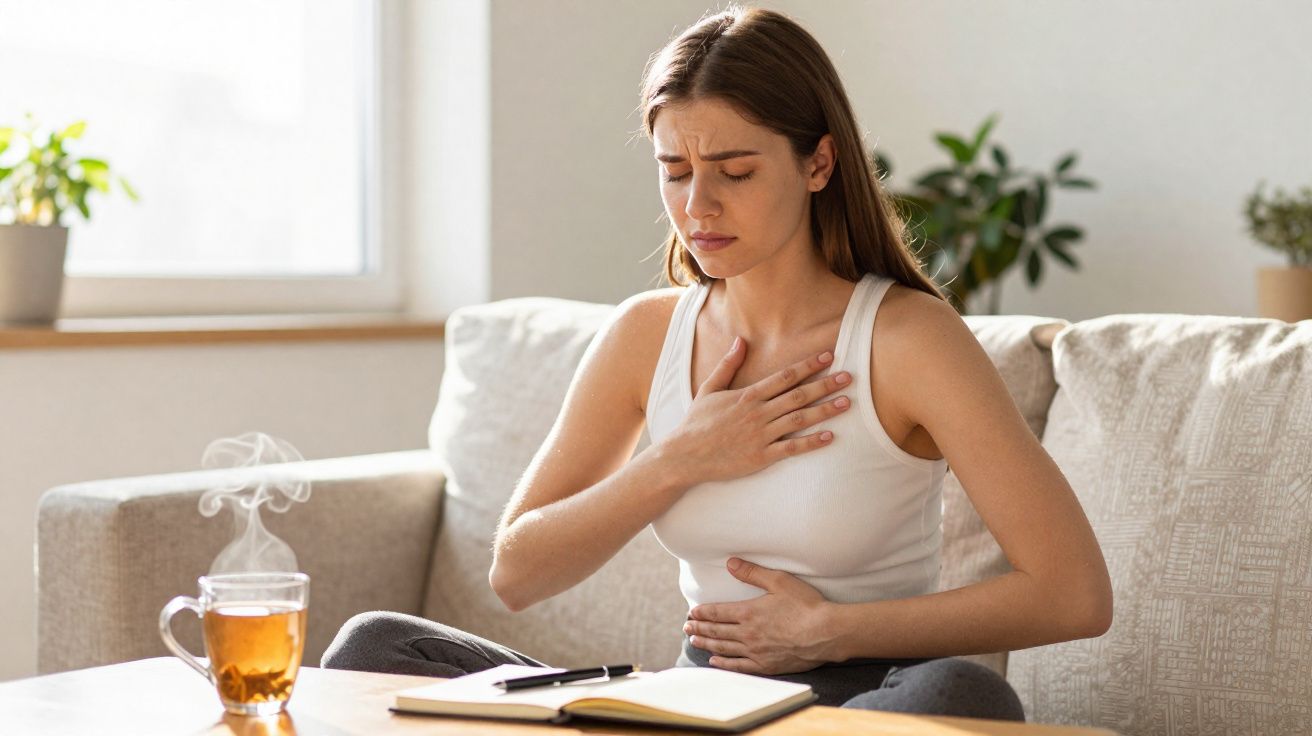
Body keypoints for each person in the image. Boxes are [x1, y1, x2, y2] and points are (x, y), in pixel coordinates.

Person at [322, 5, 1112, 720]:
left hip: (864, 703)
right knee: (374, 648)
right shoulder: (647, 333)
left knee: (962, 695)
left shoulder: (906, 339)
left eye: (734, 172)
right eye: (675, 171)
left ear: (818, 164)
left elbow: (1074, 594)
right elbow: (517, 572)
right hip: (692, 705)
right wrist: (677, 460)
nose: (698, 205)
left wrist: (829, 632)